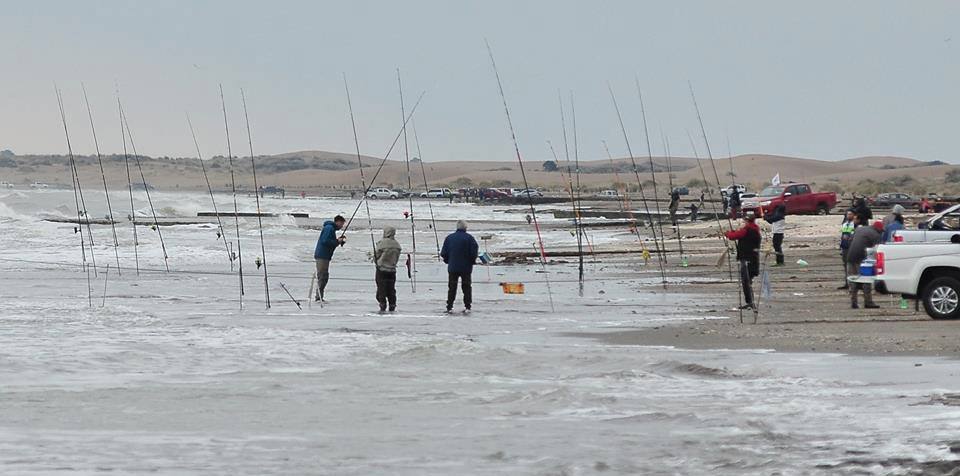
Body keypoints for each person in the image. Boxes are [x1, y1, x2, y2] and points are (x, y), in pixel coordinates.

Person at [724, 211, 762, 310]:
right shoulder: (755, 229)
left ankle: (750, 302)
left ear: (746, 220)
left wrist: (728, 233)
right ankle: (750, 302)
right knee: (748, 281)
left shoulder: (747, 229)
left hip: (747, 259)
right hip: (753, 258)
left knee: (746, 281)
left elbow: (734, 236)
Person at [440, 220, 479, 313]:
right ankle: (467, 306)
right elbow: (474, 252)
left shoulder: (449, 238)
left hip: (453, 266)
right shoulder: (470, 238)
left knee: (452, 287)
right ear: (465, 228)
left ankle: (449, 306)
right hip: (466, 267)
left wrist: (447, 260)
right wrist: (472, 261)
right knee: (466, 287)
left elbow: (444, 253)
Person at [846, 218, 882, 309]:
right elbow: (876, 250)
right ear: (878, 229)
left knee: (853, 279)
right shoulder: (875, 235)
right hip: (862, 259)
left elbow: (850, 240)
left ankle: (853, 302)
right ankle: (868, 302)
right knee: (866, 280)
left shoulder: (859, 229)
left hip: (850, 256)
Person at [314, 215, 346, 302]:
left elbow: (330, 242)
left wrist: (338, 241)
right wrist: (337, 241)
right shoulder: (329, 228)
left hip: (325, 255)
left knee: (324, 276)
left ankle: (319, 295)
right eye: (342, 224)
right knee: (322, 276)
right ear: (338, 222)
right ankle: (318, 297)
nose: (342, 226)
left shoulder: (331, 228)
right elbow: (325, 241)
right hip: (322, 255)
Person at [373, 226, 402, 313]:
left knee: (381, 288)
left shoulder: (382, 243)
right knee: (391, 289)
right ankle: (392, 304)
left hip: (381, 269)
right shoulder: (397, 245)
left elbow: (376, 256)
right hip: (392, 270)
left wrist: (376, 261)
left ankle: (382, 304)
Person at [837, 209, 857, 290]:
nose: (849, 216)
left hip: (852, 247)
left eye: (850, 214)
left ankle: (854, 283)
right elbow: (842, 236)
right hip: (845, 247)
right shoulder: (844, 224)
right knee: (845, 266)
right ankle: (847, 283)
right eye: (848, 214)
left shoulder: (855, 225)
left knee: (853, 266)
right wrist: (841, 248)